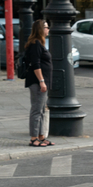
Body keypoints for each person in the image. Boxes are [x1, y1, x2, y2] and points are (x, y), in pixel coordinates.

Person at [25, 19, 54, 147]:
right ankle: (33, 138)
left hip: (42, 81)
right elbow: (36, 64)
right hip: (37, 82)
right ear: (41, 29)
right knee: (36, 110)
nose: (48, 29)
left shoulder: (39, 43)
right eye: (46, 27)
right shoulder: (35, 44)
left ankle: (41, 137)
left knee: (42, 109)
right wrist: (42, 81)